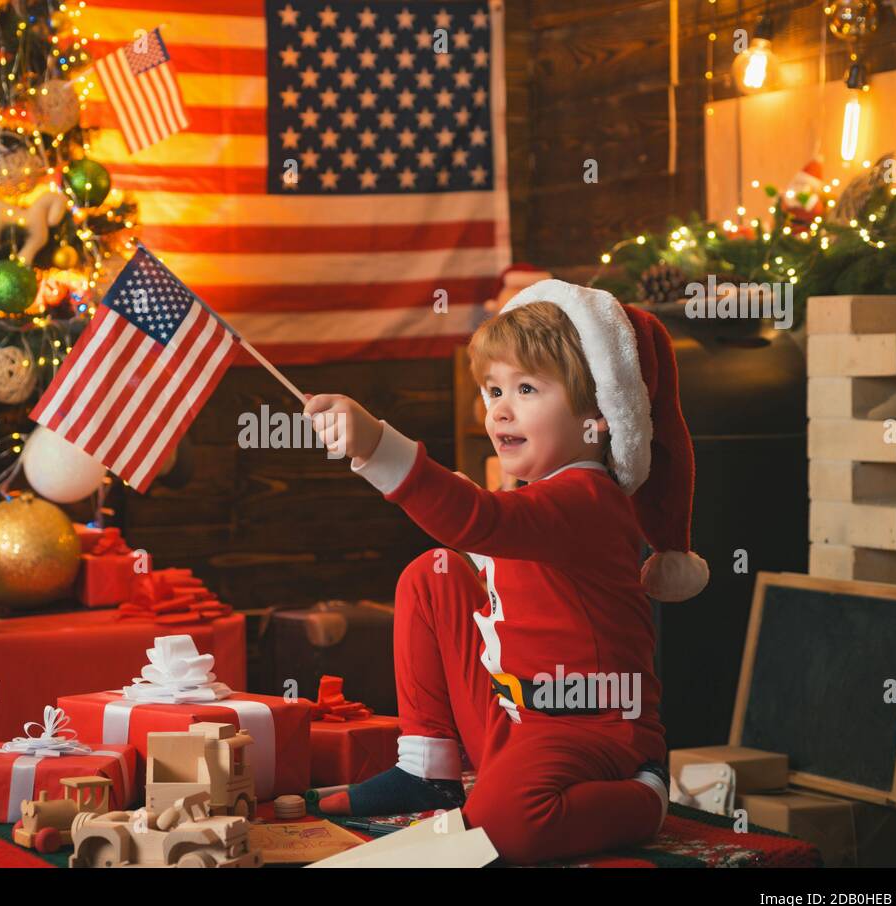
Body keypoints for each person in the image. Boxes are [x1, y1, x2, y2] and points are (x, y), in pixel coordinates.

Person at [302, 280, 709, 863]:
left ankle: (644, 796)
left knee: (502, 828)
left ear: (599, 415)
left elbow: (477, 520)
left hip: (593, 728)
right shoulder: (537, 495)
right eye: (493, 389)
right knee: (433, 573)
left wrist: (376, 445)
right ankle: (428, 768)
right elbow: (480, 525)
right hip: (515, 713)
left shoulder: (587, 498)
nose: (499, 408)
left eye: (525, 388)